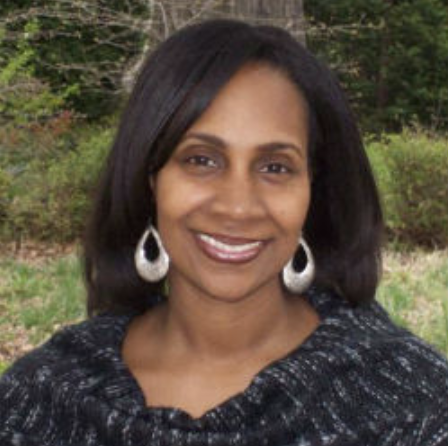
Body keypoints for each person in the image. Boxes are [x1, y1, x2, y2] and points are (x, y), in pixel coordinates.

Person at [1, 18, 447, 446]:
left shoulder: (413, 406)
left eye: (276, 167)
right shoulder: (39, 402)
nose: (237, 206)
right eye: (201, 160)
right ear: (150, 177)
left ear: (314, 188)